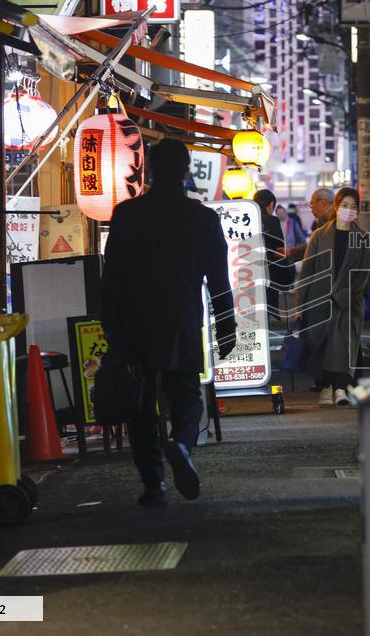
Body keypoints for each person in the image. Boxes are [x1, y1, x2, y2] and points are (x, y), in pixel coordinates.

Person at [102, 138, 237, 507]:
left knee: (140, 403)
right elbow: (219, 280)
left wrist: (110, 327)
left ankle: (153, 484)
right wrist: (227, 329)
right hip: (182, 320)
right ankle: (181, 443)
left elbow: (111, 277)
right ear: (185, 171)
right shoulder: (203, 219)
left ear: (148, 169)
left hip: (134, 323)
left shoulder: (127, 215)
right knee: (187, 396)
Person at [295, 187, 370, 406]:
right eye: (345, 205)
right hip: (319, 300)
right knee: (322, 344)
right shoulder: (320, 235)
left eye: (354, 206)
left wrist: (345, 296)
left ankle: (340, 388)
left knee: (343, 345)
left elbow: (364, 274)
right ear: (336, 207)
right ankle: (327, 388)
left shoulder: (363, 238)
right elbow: (307, 271)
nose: (349, 210)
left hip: (349, 301)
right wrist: (300, 305)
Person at [252, 189, 291, 318]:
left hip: (249, 273)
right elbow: (279, 249)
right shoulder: (272, 220)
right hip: (269, 272)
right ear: (271, 204)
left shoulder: (248, 219)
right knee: (268, 309)